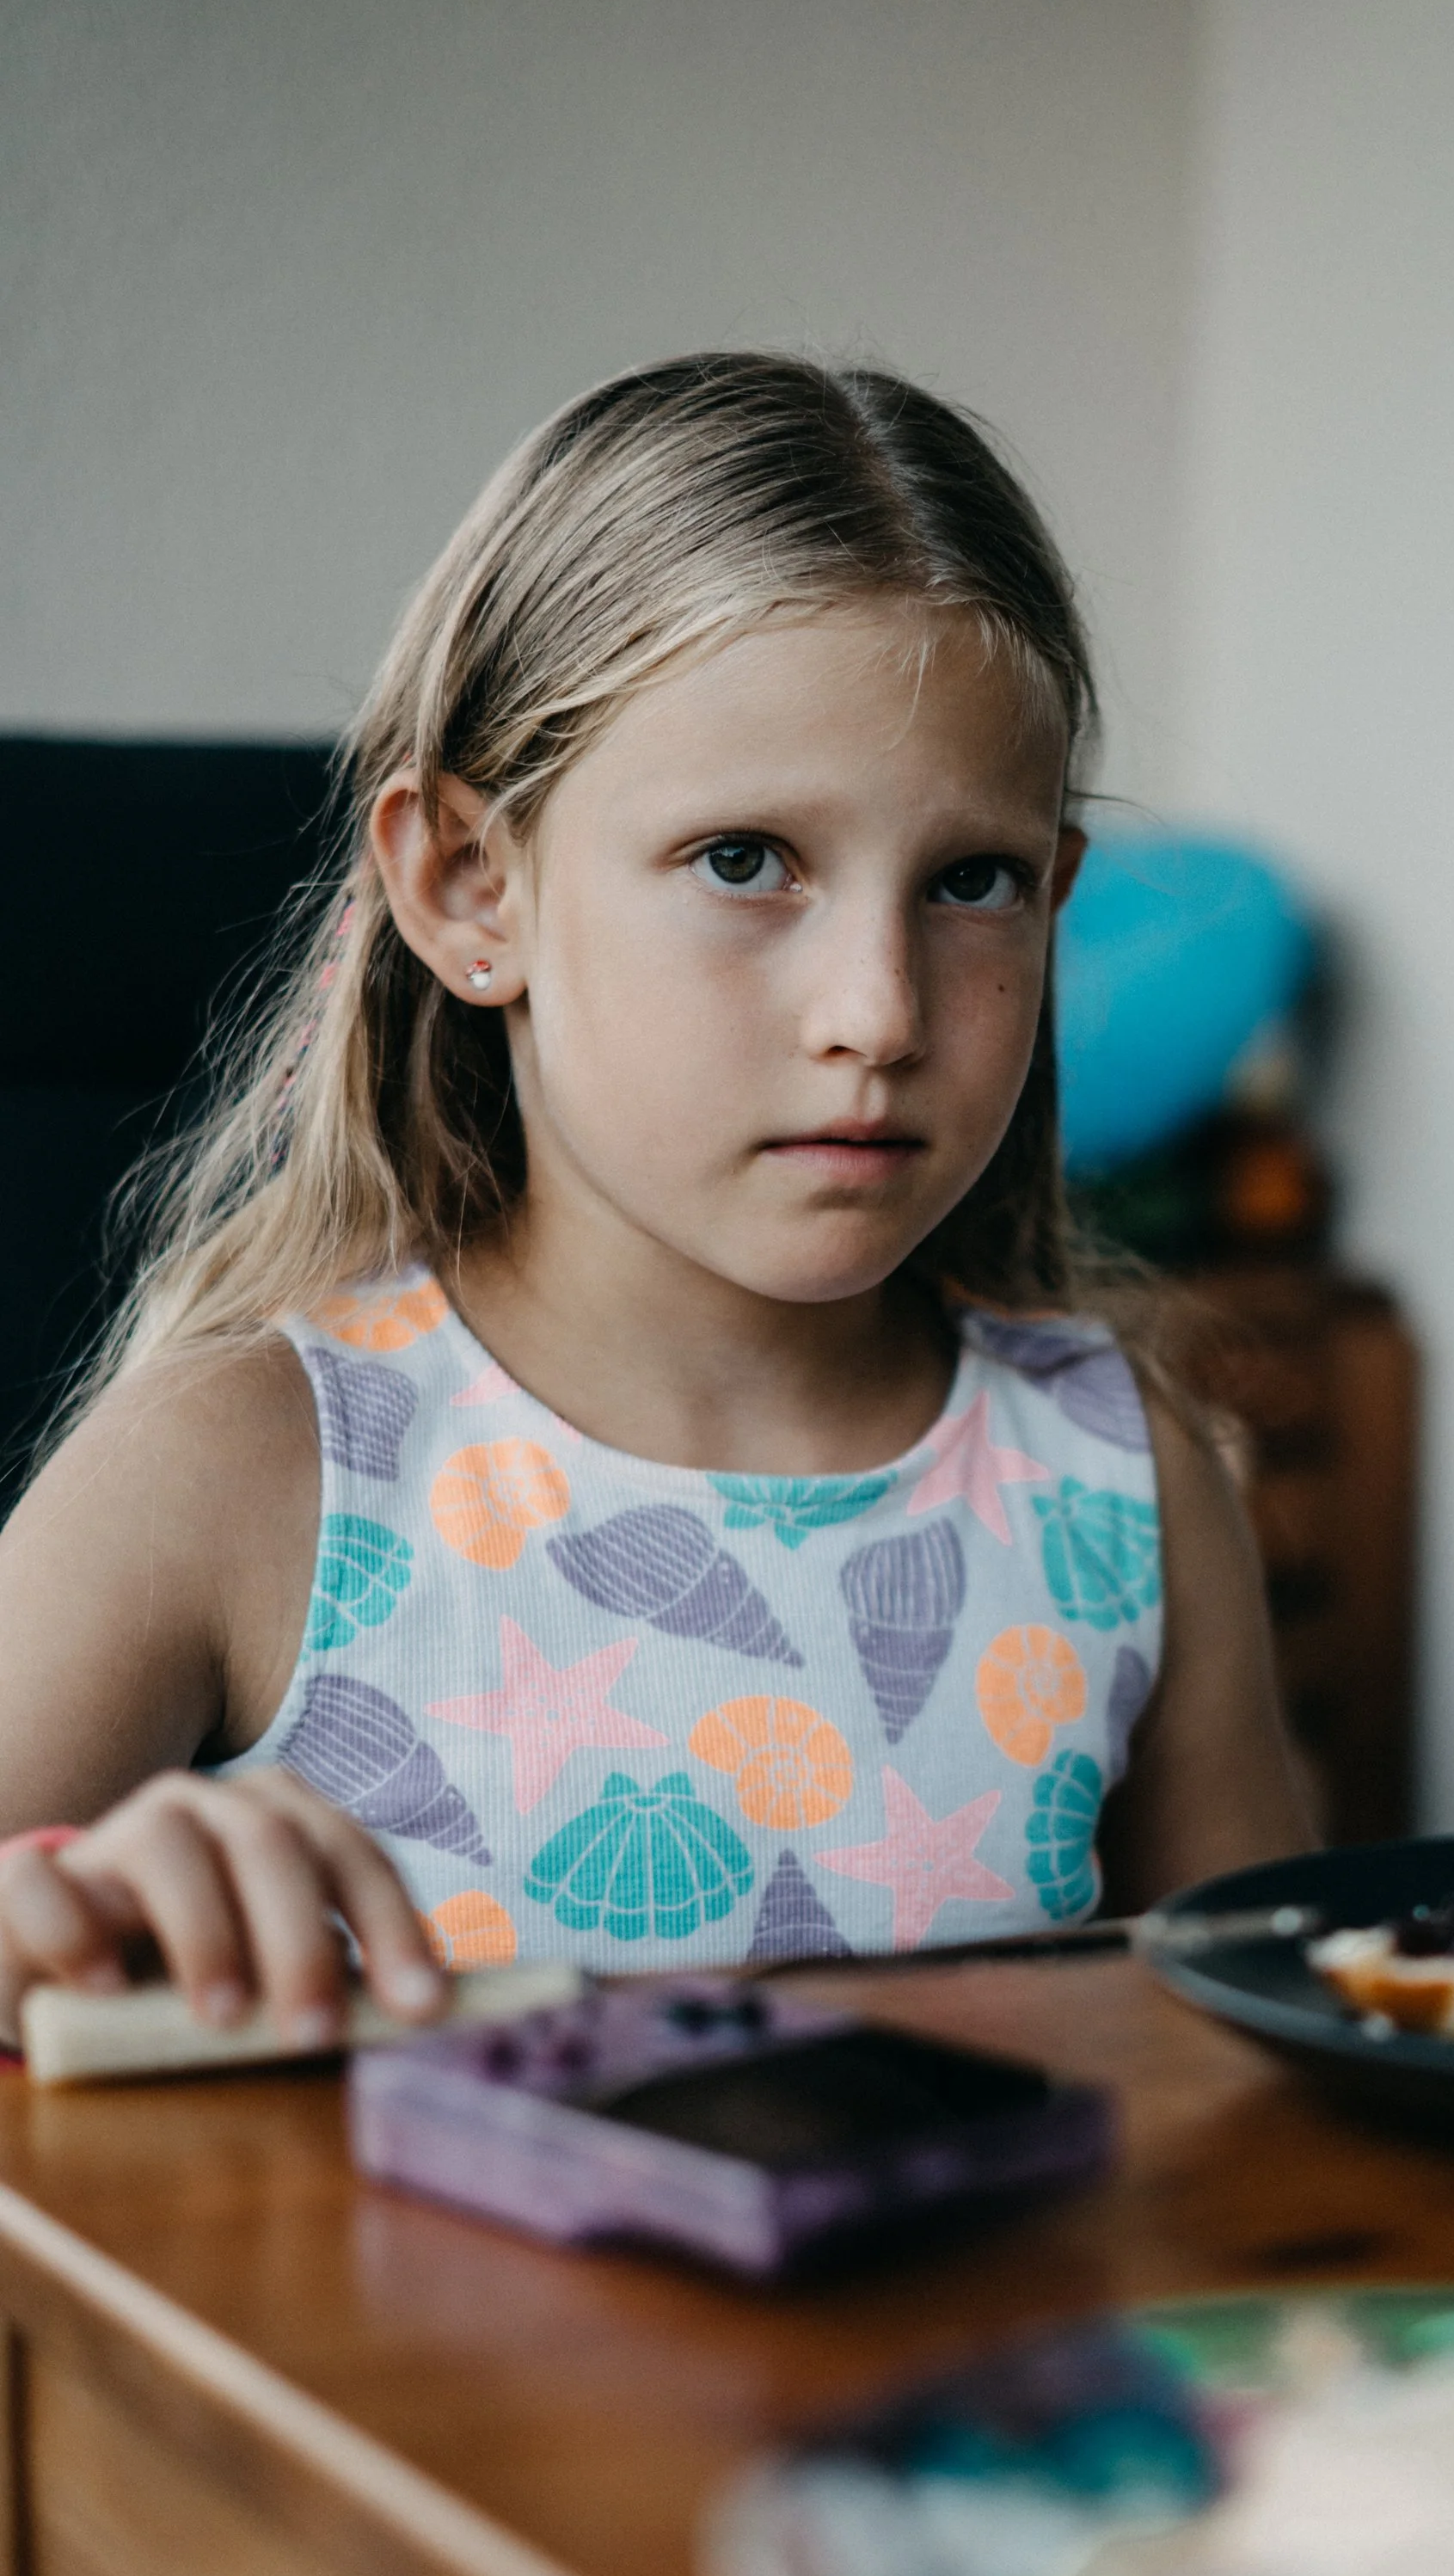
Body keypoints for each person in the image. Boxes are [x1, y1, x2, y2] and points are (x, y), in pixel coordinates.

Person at [0, 355, 1309, 2041]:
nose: (879, 1012)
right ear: (470, 886)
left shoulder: (1125, 1485)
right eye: (744, 861)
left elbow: (1261, 2080)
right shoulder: (241, 1471)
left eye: (970, 882)